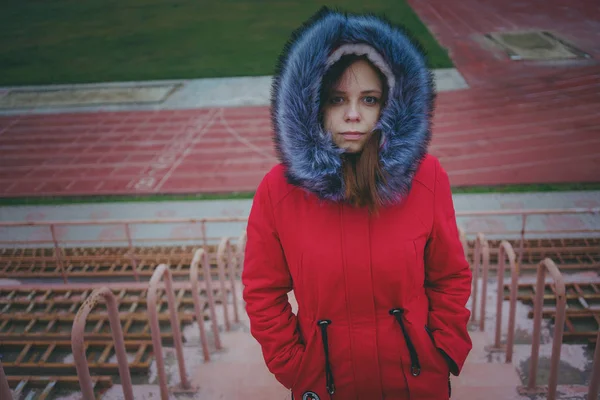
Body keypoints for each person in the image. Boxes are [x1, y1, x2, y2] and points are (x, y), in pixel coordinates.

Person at [242, 7, 472, 400]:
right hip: (325, 385)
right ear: (313, 106)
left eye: (368, 99)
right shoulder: (278, 190)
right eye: (336, 99)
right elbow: (263, 291)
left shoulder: (427, 176)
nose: (352, 115)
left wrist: (443, 348)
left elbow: (449, 276)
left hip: (416, 383)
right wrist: (295, 366)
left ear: (390, 106)